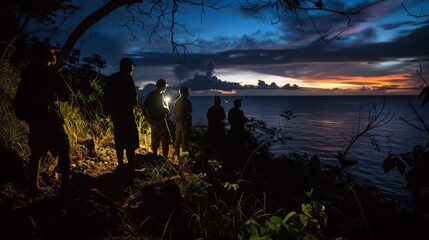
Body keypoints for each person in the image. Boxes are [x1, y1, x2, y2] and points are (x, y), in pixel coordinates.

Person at [13, 41, 72, 193]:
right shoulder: (50, 72)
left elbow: (18, 98)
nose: (55, 54)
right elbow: (66, 94)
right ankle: (66, 186)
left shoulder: (29, 73)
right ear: (46, 54)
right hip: (50, 118)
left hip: (34, 119)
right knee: (64, 148)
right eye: (52, 52)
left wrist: (26, 115)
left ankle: (34, 186)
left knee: (37, 151)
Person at [103, 58, 139, 172]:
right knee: (130, 140)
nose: (133, 69)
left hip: (115, 114)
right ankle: (131, 168)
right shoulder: (127, 78)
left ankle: (120, 165)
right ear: (128, 67)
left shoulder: (112, 78)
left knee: (119, 140)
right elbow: (133, 100)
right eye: (132, 67)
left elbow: (106, 96)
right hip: (126, 113)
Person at [143, 79, 171, 158]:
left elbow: (144, 107)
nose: (165, 88)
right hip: (160, 121)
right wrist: (167, 107)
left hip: (152, 120)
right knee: (165, 140)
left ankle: (154, 156)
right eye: (165, 86)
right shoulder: (160, 96)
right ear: (163, 86)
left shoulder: (150, 95)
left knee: (155, 139)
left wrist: (147, 119)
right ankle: (165, 159)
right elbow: (164, 110)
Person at [173, 86, 193, 158]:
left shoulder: (176, 102)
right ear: (185, 92)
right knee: (185, 141)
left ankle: (178, 156)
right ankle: (186, 158)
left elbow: (175, 113)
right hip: (184, 124)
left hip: (177, 123)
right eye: (187, 91)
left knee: (177, 141)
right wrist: (189, 125)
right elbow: (189, 115)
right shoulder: (187, 102)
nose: (188, 93)